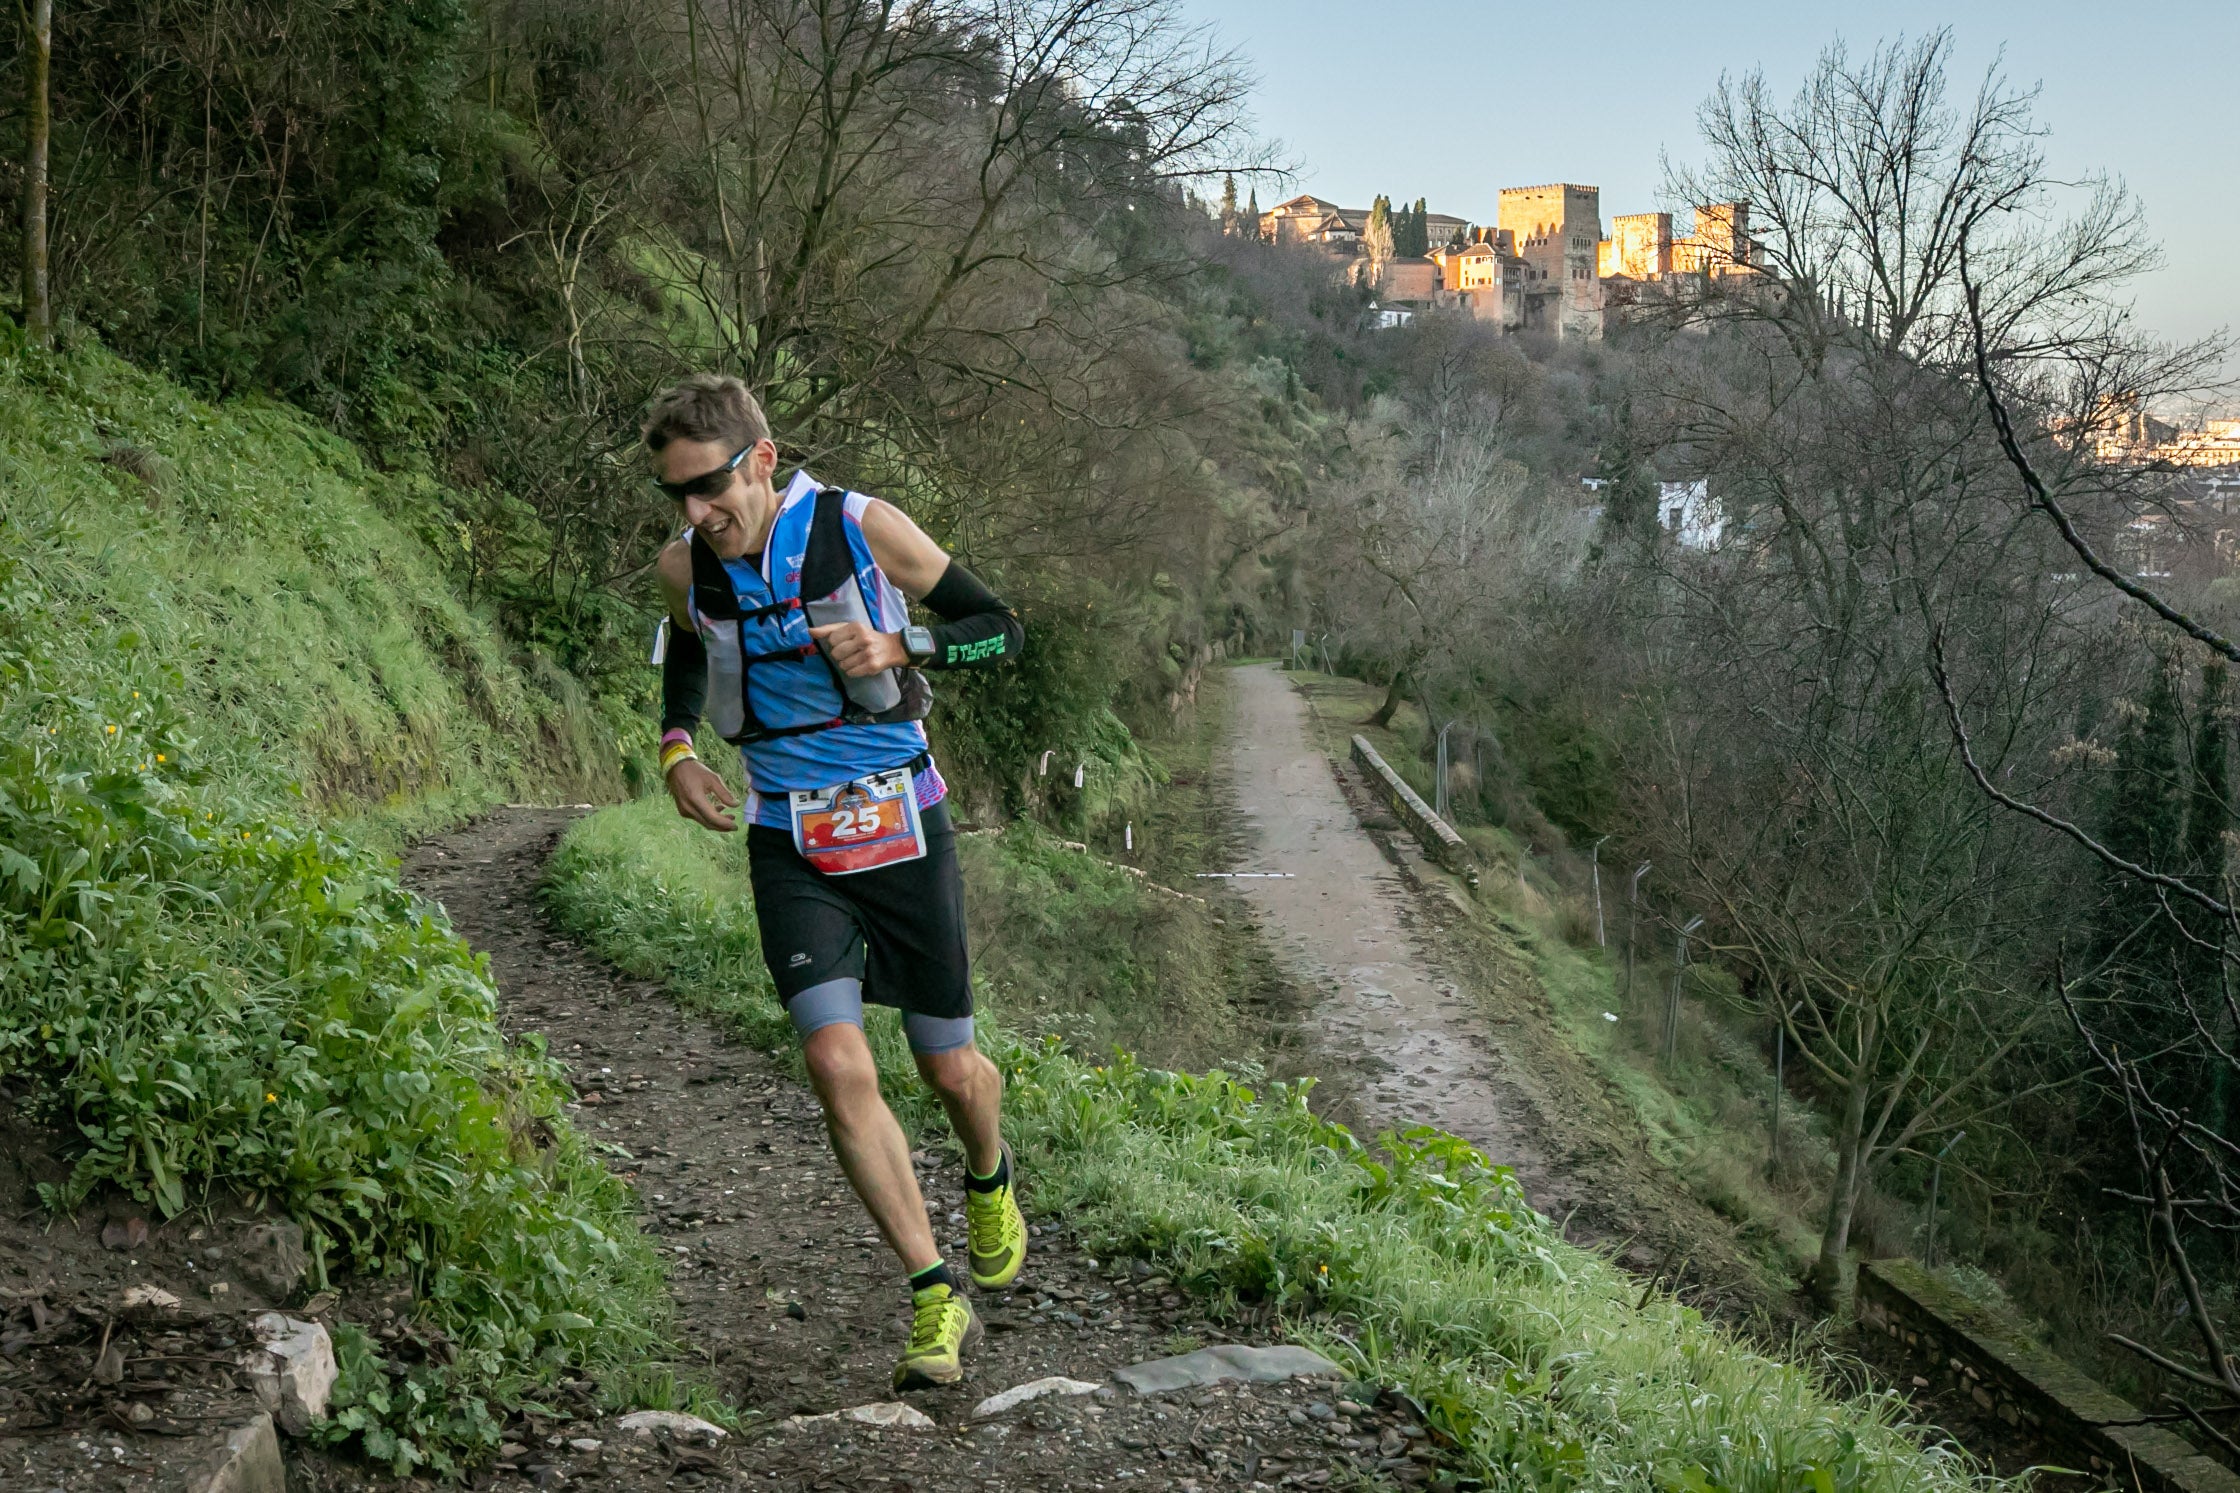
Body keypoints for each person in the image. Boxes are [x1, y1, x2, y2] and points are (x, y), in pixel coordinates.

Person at [643, 373, 1027, 1390]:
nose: (696, 511)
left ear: (762, 461)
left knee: (950, 1070)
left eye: (710, 485)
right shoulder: (685, 566)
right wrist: (678, 749)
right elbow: (687, 657)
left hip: (900, 823)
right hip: (788, 837)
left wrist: (905, 640)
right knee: (833, 1058)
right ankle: (933, 1290)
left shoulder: (862, 527)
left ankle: (988, 1172)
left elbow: (1002, 627)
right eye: (677, 493)